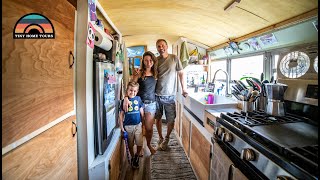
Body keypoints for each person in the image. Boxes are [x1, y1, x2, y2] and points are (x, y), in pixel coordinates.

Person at [154, 39, 188, 151]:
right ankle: (160, 137)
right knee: (158, 118)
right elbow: (153, 76)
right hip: (157, 95)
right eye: (158, 46)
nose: (161, 47)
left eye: (162, 45)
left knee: (171, 120)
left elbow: (181, 74)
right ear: (157, 48)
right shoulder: (156, 60)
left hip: (170, 96)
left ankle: (167, 139)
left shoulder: (174, 58)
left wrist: (184, 89)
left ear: (167, 46)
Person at [124, 51, 158, 155]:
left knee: (149, 128)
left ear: (153, 61)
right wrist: (126, 97)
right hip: (138, 104)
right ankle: (140, 147)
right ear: (143, 61)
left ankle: (148, 144)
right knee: (138, 127)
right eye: (146, 60)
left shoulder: (156, 73)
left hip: (151, 104)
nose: (148, 62)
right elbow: (131, 86)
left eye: (151, 60)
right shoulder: (139, 73)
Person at [119, 81, 144, 168]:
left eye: (135, 91)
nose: (132, 92)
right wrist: (122, 128)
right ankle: (133, 157)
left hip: (138, 125)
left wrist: (143, 123)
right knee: (130, 144)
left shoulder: (138, 99)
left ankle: (137, 155)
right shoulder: (124, 101)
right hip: (128, 127)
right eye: (130, 90)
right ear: (127, 90)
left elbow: (141, 111)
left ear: (137, 91)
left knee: (139, 143)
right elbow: (121, 115)